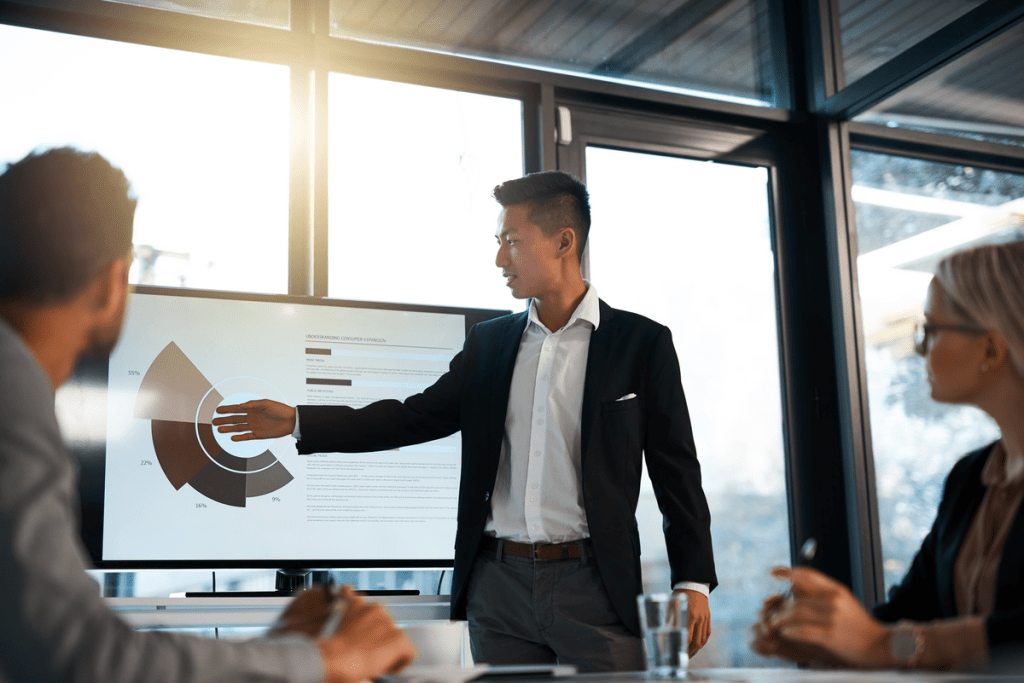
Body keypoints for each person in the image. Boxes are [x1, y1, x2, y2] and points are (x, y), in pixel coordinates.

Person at [214, 171, 717, 672]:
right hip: (498, 589)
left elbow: (677, 470)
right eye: (499, 243)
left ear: (564, 241)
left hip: (598, 586)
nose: (500, 259)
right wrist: (299, 421)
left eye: (512, 243)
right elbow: (413, 418)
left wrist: (691, 582)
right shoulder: (490, 344)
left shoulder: (642, 343)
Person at [0, 147, 415, 683]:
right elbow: (74, 656)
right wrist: (329, 660)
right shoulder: (12, 386)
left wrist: (276, 651)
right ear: (111, 285)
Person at [751, 240, 1024, 671]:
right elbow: (911, 611)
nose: (919, 348)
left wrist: (884, 646)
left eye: (930, 329)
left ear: (991, 349)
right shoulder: (971, 477)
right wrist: (820, 635)